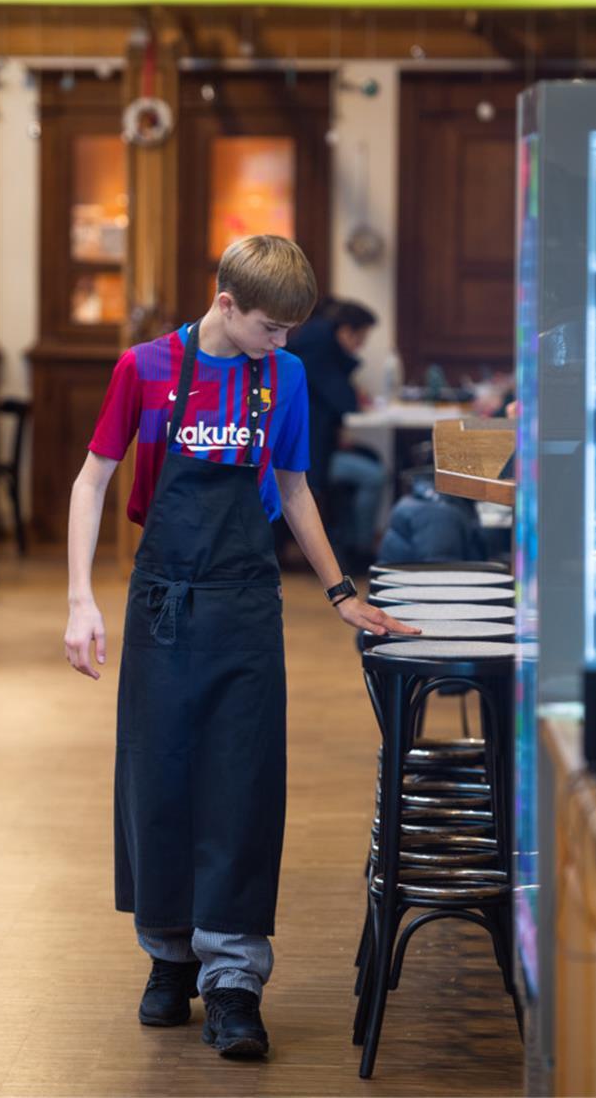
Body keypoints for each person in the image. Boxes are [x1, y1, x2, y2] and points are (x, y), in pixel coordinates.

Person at [64, 236, 419, 1061]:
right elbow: (93, 479)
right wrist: (81, 600)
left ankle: (233, 980)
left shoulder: (283, 377)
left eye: (291, 328)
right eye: (269, 326)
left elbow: (292, 489)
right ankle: (168, 956)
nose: (282, 342)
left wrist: (341, 593)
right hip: (162, 601)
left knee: (242, 781)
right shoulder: (145, 368)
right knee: (158, 778)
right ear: (225, 303)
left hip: (247, 603)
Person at [287, 298, 385, 566]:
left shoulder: (313, 345)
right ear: (345, 331)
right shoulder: (319, 351)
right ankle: (359, 550)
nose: (360, 346)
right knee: (374, 475)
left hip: (316, 448)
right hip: (308, 458)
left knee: (372, 459)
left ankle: (352, 541)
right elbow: (345, 400)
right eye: (360, 338)